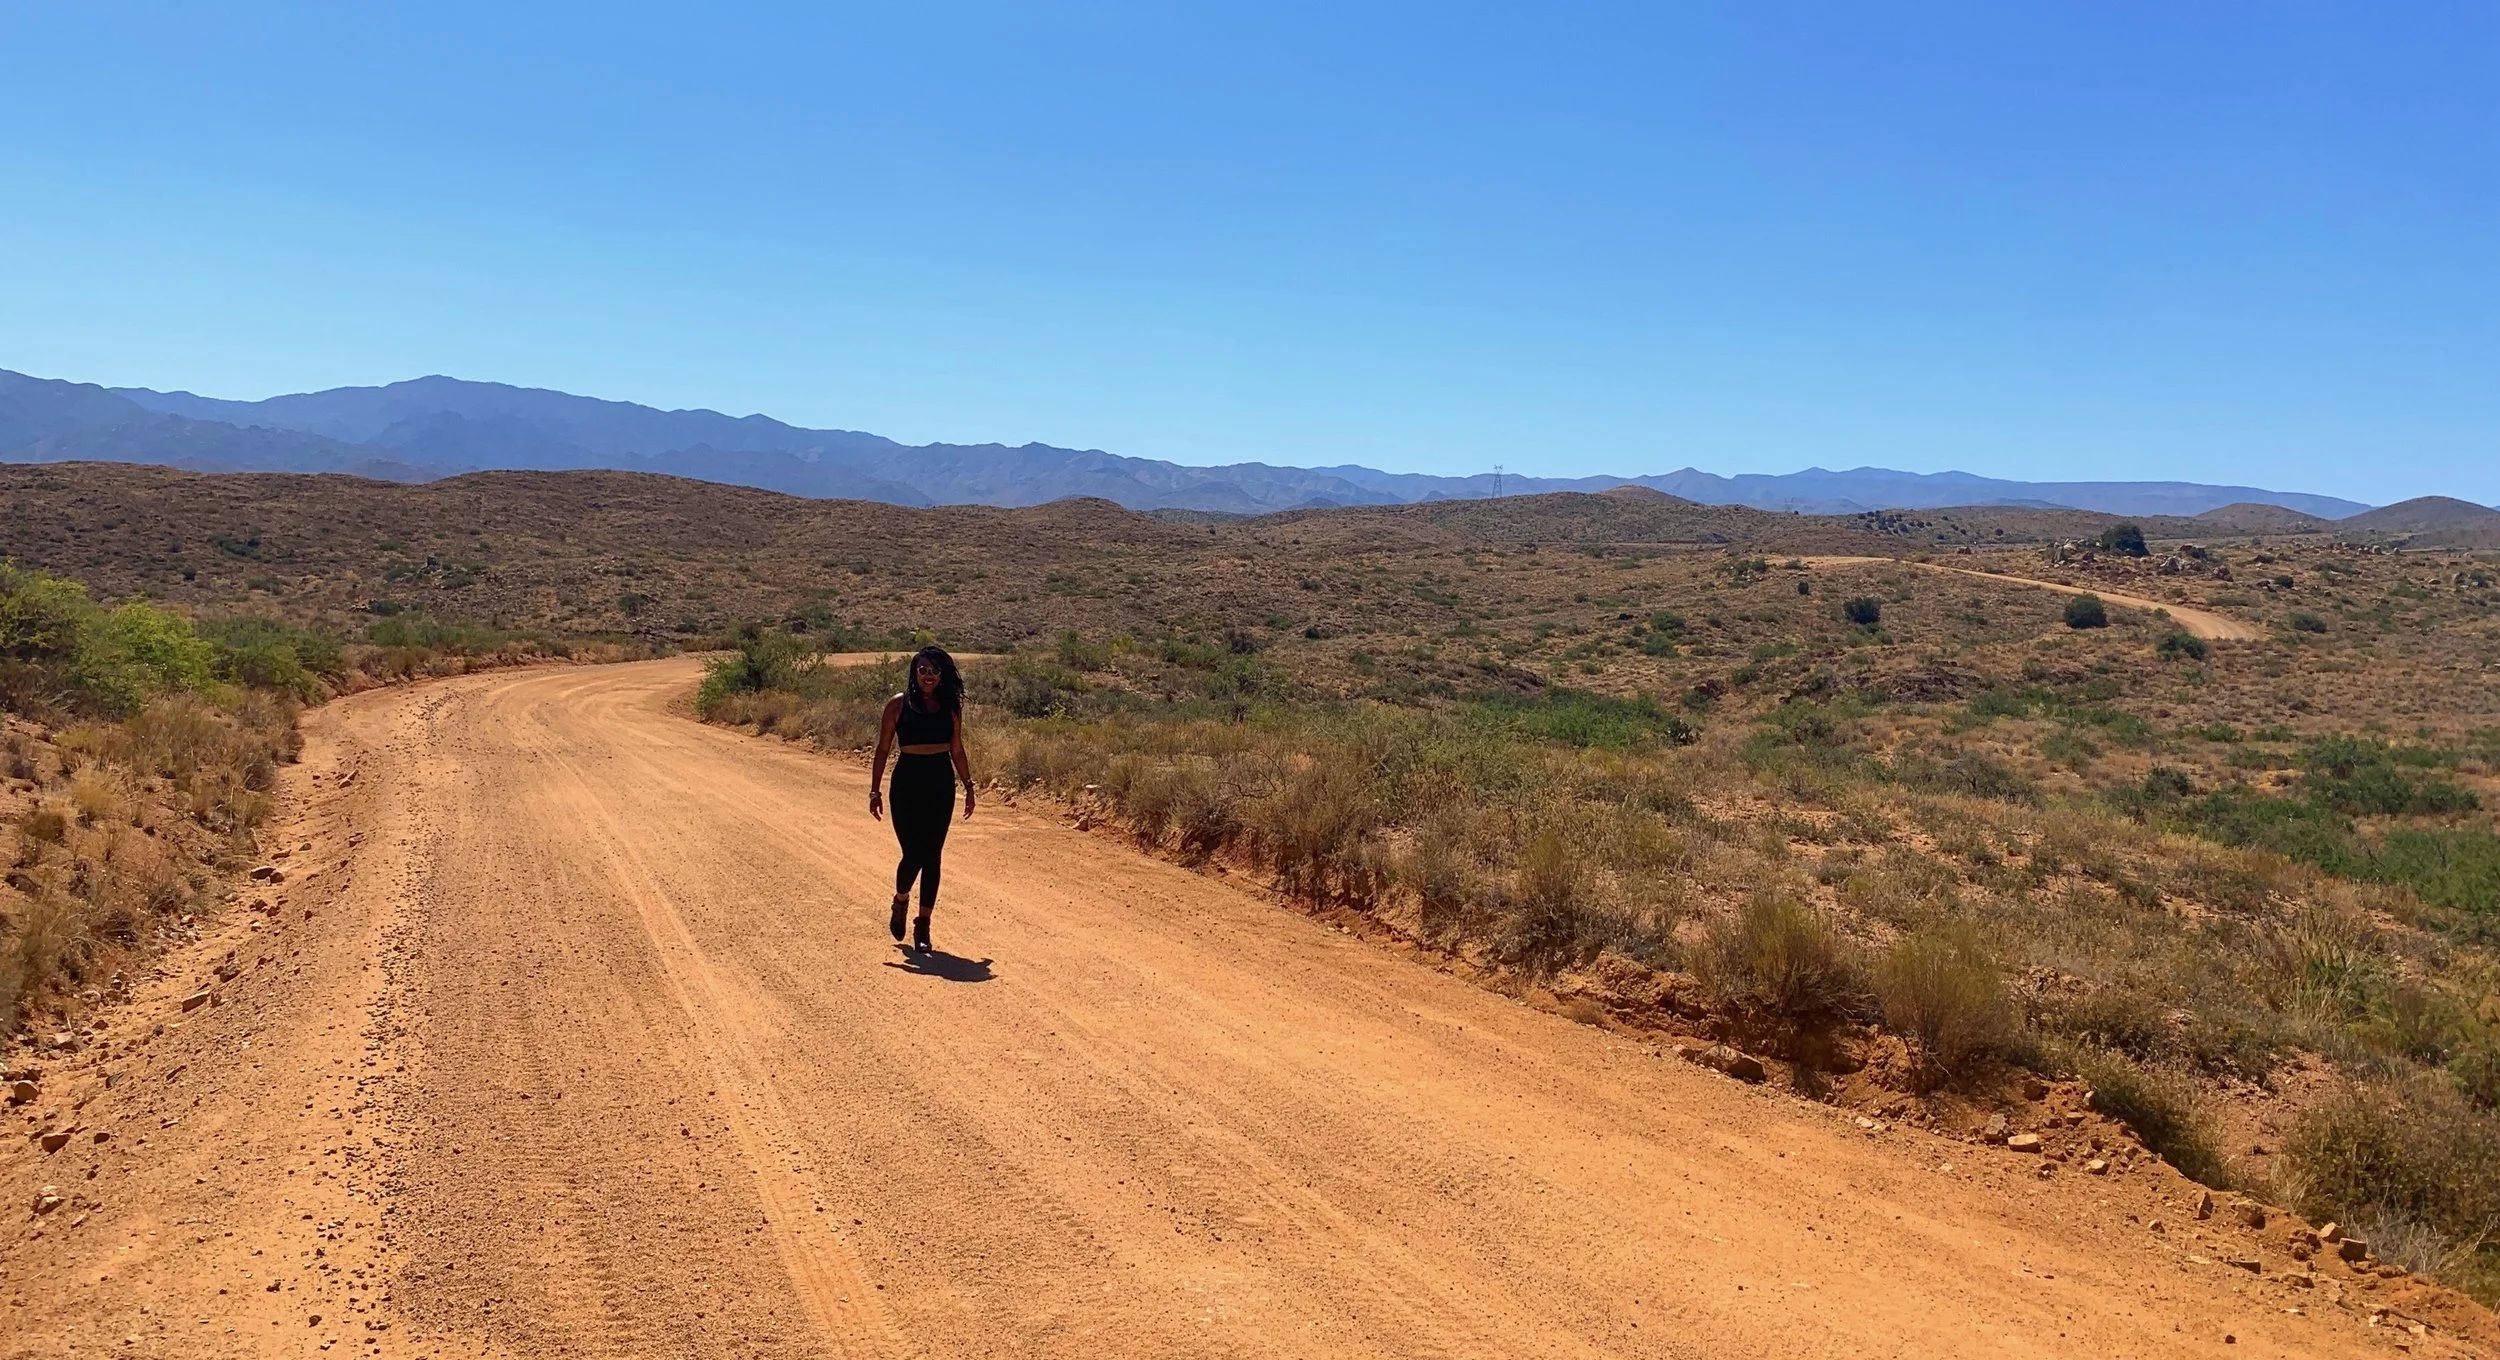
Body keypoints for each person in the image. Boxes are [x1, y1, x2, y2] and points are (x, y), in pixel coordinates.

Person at [870, 645, 974, 951]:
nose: (928, 676)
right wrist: (875, 790)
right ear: (914, 673)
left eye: (934, 671)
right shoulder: (897, 706)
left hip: (940, 785)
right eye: (923, 670)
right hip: (906, 786)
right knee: (913, 853)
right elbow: (882, 750)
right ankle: (901, 899)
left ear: (942, 676)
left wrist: (968, 786)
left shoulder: (950, 708)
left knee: (933, 856)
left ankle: (923, 925)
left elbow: (956, 749)